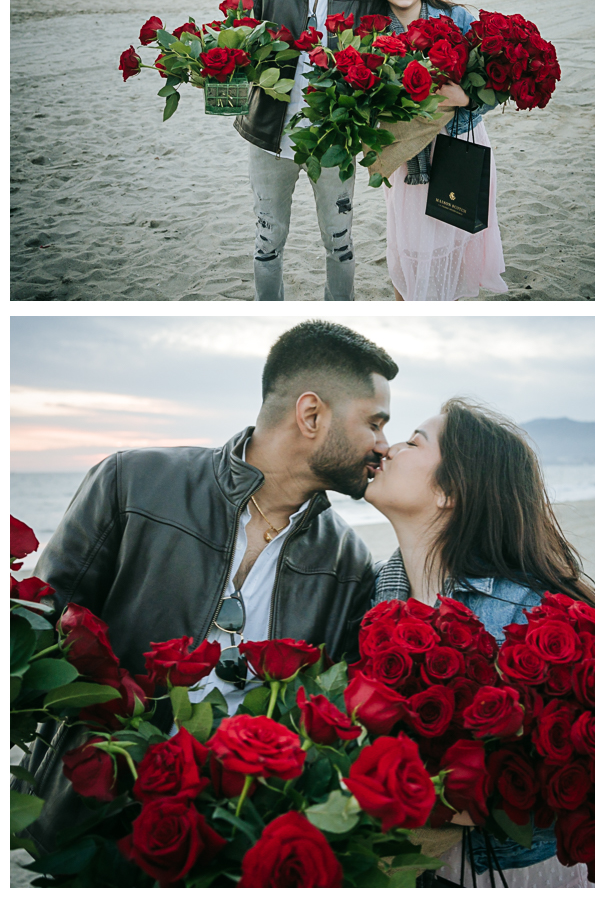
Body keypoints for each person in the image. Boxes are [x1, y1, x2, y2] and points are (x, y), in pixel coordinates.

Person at [18, 320, 398, 853]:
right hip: (91, 820)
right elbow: (37, 635)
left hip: (237, 840)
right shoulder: (132, 483)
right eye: (375, 423)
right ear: (311, 414)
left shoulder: (349, 561)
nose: (384, 445)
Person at [366, 398, 595, 888]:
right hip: (411, 865)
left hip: (516, 870)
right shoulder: (374, 593)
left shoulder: (532, 615)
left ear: (450, 491)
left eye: (414, 441)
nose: (388, 448)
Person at [235, 0, 365, 301]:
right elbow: (233, 46)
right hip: (270, 135)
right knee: (267, 243)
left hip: (336, 138)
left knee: (340, 245)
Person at [360, 0, 507, 302]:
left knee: (455, 238)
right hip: (407, 153)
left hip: (460, 142)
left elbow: (497, 82)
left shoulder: (456, 18)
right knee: (407, 246)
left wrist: (467, 99)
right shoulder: (371, 32)